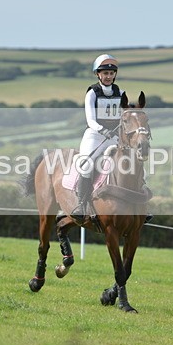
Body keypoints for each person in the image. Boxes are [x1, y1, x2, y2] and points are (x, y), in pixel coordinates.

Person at [71, 53, 124, 222]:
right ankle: (81, 204)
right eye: (105, 73)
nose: (108, 76)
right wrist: (103, 130)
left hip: (114, 136)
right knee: (86, 164)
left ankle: (140, 202)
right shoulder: (92, 93)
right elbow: (91, 120)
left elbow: (125, 116)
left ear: (114, 74)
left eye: (111, 73)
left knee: (133, 161)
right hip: (95, 135)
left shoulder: (121, 93)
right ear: (98, 74)